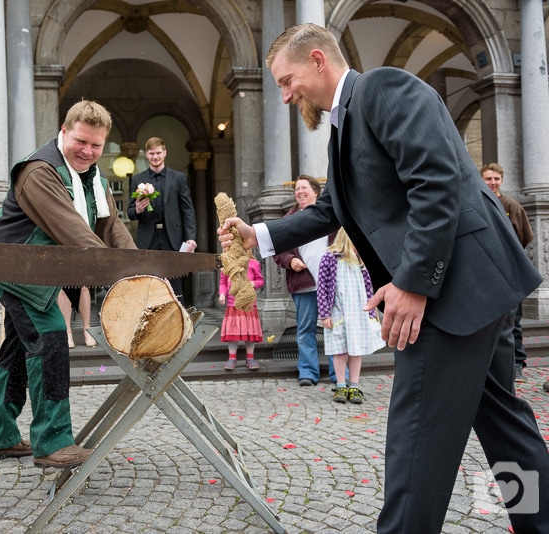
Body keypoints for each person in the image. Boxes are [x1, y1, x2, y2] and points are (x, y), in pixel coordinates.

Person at [218, 23, 549, 533]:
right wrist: (257, 236)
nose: (285, 96)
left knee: (416, 446)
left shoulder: (382, 87)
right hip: (476, 288)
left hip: (451, 291)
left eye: (287, 81)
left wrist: (414, 283)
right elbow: (332, 208)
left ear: (317, 60)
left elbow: (435, 179)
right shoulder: (343, 122)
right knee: (506, 429)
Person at [0, 100, 136, 468]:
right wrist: (117, 274)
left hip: (42, 272)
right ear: (63, 132)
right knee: (50, 334)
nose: (87, 151)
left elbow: (111, 225)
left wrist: (136, 269)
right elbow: (73, 231)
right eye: (81, 141)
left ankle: (0, 438)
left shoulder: (92, 177)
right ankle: (52, 443)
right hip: (18, 271)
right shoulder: (40, 171)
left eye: (96, 146)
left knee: (17, 350)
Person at [273, 175, 337, 386]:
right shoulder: (288, 219)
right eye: (297, 189)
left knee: (334, 328)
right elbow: (278, 251)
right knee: (305, 330)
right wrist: (290, 261)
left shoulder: (329, 216)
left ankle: (339, 373)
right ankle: (308, 372)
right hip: (304, 283)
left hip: (331, 284)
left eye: (304, 188)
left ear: (316, 192)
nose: (299, 191)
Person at [317, 228, 385, 404]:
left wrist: (371, 312)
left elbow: (369, 289)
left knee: (356, 349)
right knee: (339, 350)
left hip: (357, 311)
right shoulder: (330, 258)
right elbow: (322, 289)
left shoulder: (361, 261)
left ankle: (353, 385)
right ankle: (341, 385)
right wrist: (324, 314)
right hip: (338, 311)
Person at [480, 162, 534, 384]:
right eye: (488, 179)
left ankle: (517, 363)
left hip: (510, 272)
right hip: (485, 273)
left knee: (514, 320)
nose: (492, 183)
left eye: (496, 179)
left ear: (502, 180)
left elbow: (524, 236)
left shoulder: (511, 205)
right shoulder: (479, 202)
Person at [127, 137, 196, 302]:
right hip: (147, 237)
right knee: (148, 280)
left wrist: (190, 237)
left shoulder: (179, 178)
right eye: (152, 154)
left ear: (164, 153)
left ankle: (179, 320)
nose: (155, 157)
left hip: (172, 237)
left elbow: (187, 209)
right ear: (147, 155)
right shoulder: (138, 179)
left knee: (175, 281)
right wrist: (137, 209)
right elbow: (129, 212)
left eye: (158, 153)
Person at [219, 251, 264, 370]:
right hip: (233, 304)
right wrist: (222, 294)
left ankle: (250, 358)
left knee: (249, 331)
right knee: (232, 332)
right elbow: (223, 282)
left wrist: (252, 283)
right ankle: (232, 358)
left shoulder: (253, 264)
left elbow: (260, 281)